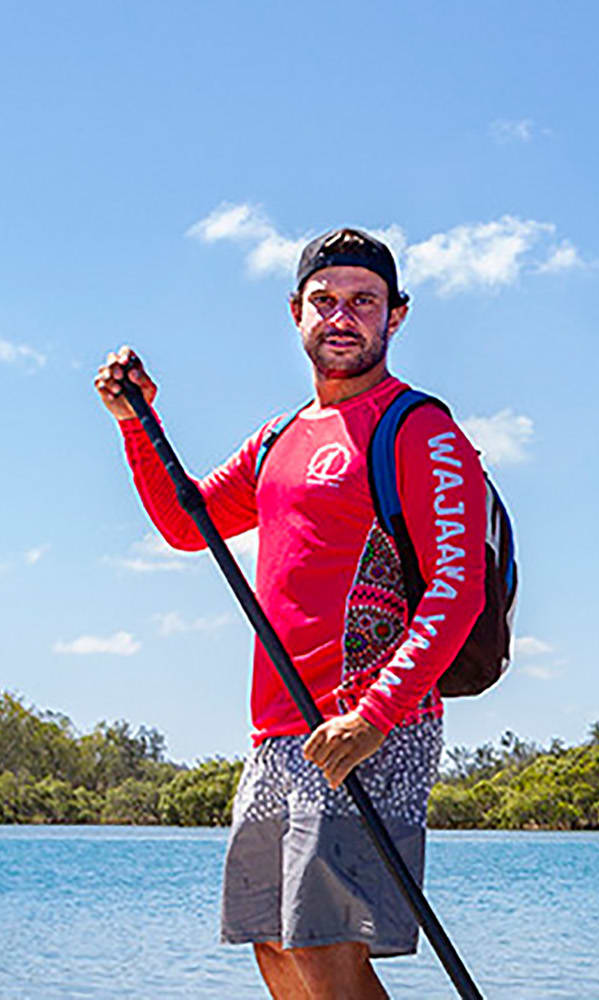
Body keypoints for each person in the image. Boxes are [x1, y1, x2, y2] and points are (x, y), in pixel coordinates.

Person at [94, 228, 488, 1000]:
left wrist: (375, 714)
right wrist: (137, 424)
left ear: (395, 317)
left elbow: (457, 590)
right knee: (272, 945)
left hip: (374, 724)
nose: (342, 316)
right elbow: (189, 523)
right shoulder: (280, 437)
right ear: (296, 312)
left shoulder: (417, 427)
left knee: (323, 948)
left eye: (363, 302)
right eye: (325, 300)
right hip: (277, 730)